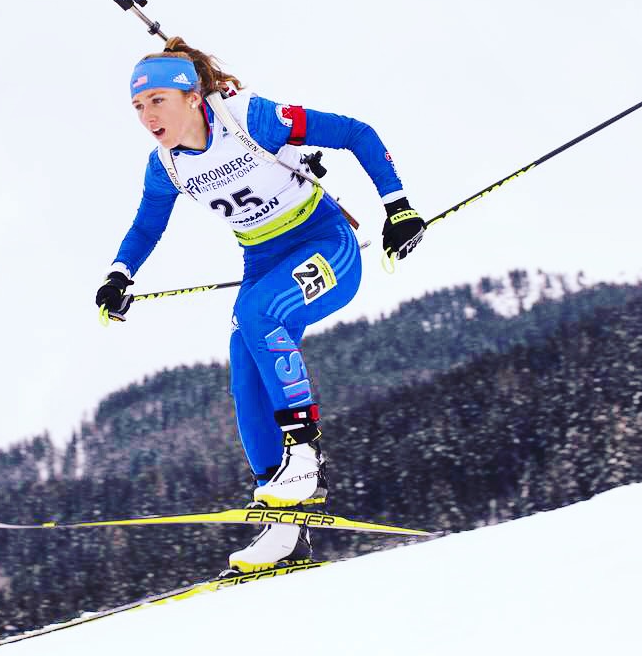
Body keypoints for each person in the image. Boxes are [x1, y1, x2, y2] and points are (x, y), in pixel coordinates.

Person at [95, 37, 425, 575]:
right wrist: (118, 275)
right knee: (243, 367)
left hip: (326, 246)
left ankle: (304, 455)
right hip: (262, 264)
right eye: (138, 106)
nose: (147, 115)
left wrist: (399, 207)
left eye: (157, 100)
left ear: (191, 96)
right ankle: (286, 524)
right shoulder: (166, 167)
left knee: (257, 315)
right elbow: (147, 224)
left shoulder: (250, 119)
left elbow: (355, 133)